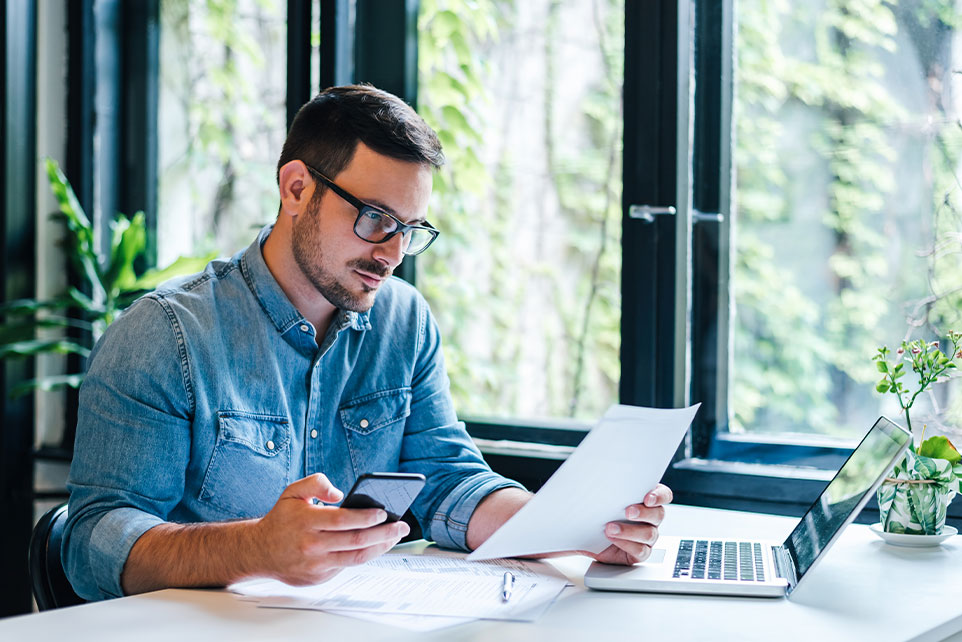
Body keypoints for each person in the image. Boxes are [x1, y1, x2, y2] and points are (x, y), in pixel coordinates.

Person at [63, 84, 672, 601]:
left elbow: (445, 478)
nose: (392, 255)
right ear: (297, 188)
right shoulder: (166, 334)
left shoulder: (403, 321)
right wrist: (254, 548)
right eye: (376, 218)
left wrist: (575, 527)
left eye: (410, 229)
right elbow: (93, 542)